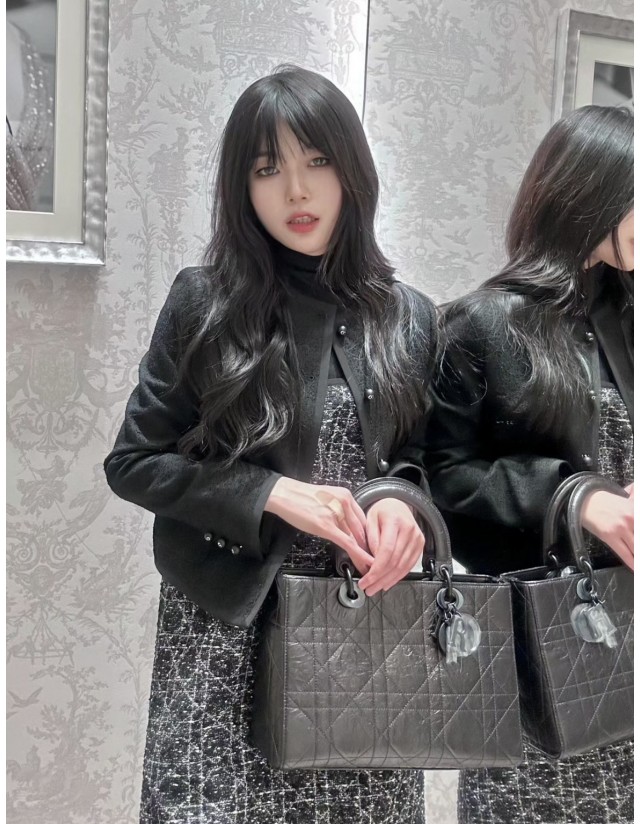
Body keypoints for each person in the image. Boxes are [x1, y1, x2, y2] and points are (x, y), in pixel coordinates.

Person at [104, 65, 438, 824]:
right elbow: (133, 462)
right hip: (225, 642)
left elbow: (422, 461)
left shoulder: (410, 317)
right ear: (241, 187)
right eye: (267, 169)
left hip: (366, 638)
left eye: (316, 161)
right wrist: (269, 493)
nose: (296, 190)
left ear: (352, 169)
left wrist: (402, 504)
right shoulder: (205, 301)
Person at [421, 105, 633, 823]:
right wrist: (575, 496)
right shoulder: (482, 324)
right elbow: (444, 481)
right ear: (593, 194)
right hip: (548, 644)